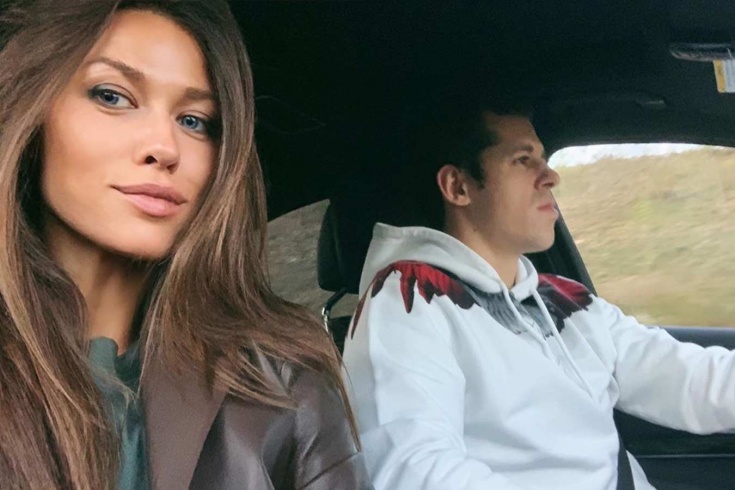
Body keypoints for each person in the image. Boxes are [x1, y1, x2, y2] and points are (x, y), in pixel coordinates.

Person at [0, 1, 370, 489]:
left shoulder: (283, 379)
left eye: (195, 121)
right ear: (32, 112)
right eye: (112, 96)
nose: (165, 147)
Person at [341, 102, 735, 489]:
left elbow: (685, 376)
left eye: (543, 158)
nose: (551, 176)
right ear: (458, 187)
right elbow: (412, 469)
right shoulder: (408, 302)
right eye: (522, 160)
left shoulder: (563, 299)